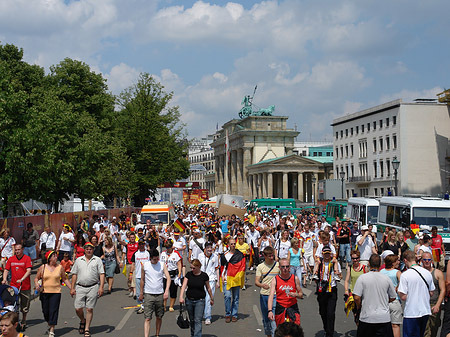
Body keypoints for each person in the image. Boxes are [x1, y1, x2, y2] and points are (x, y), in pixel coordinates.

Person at [353, 254, 397, 337]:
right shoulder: (386, 278)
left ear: (369, 264)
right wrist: (384, 301)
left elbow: (356, 297)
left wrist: (359, 306)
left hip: (367, 317)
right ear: (380, 264)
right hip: (383, 318)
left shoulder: (362, 278)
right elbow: (393, 296)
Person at [70, 242, 105, 337]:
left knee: (89, 308)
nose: (89, 250)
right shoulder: (78, 260)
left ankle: (87, 329)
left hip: (93, 287)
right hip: (80, 286)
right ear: (84, 250)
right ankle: (82, 320)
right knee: (78, 308)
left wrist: (101, 287)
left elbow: (101, 274)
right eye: (87, 249)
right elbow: (74, 274)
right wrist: (72, 288)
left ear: (93, 250)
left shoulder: (97, 260)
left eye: (90, 249)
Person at [34, 250, 71, 337]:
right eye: (54, 256)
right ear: (49, 258)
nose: (56, 257)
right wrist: (36, 284)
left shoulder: (60, 267)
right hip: (44, 292)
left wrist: (72, 289)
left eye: (56, 256)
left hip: (56, 292)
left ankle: (52, 329)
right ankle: (49, 322)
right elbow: (36, 278)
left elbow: (65, 279)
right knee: (45, 311)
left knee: (53, 310)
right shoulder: (43, 267)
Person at [398, 250, 435, 337]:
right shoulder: (427, 273)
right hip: (425, 310)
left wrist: (399, 292)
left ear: (405, 260)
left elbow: (403, 296)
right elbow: (431, 292)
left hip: (411, 312)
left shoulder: (405, 275)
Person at [139, 249, 171, 337]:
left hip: (159, 294)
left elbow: (168, 278)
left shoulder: (162, 265)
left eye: (157, 259)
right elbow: (142, 280)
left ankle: (157, 334)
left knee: (159, 316)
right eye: (154, 259)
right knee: (148, 317)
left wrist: (166, 290)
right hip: (148, 294)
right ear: (150, 258)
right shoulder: (145, 265)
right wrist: (141, 293)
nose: (156, 261)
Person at [179, 259, 214, 337]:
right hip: (189, 300)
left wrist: (211, 298)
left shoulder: (204, 276)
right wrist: (181, 297)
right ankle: (193, 334)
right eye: (191, 268)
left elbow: (208, 288)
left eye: (194, 268)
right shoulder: (188, 275)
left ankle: (197, 335)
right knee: (192, 320)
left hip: (200, 301)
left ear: (198, 267)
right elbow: (184, 286)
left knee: (198, 320)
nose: (192, 270)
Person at [2, 244, 32, 331]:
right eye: (16, 250)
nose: (17, 251)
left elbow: (29, 270)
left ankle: (24, 319)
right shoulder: (11, 259)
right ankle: (15, 320)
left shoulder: (27, 258)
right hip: (14, 286)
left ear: (22, 249)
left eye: (18, 249)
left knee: (25, 304)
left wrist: (22, 279)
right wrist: (4, 279)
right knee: (13, 304)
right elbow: (6, 269)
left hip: (25, 286)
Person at [268, 258, 303, 327]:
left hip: (292, 307)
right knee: (281, 331)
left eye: (287, 266)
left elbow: (301, 294)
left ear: (289, 267)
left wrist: (296, 294)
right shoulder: (275, 280)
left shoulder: (295, 278)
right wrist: (270, 311)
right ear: (279, 268)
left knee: (295, 330)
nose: (285, 268)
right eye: (283, 267)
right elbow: (271, 296)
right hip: (280, 307)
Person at [315, 246, 340, 337]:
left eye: (328, 254)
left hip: (332, 290)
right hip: (322, 290)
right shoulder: (319, 263)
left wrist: (338, 274)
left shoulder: (334, 263)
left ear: (331, 254)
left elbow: (340, 276)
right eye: (325, 254)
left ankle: (330, 333)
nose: (327, 256)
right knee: (323, 311)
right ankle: (326, 328)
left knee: (330, 313)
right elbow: (316, 275)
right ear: (322, 254)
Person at [255, 246, 280, 337]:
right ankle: (268, 334)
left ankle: (274, 334)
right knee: (266, 318)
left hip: (275, 295)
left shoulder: (278, 265)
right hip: (264, 295)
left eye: (272, 255)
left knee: (273, 317)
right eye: (269, 256)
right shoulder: (260, 267)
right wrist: (262, 285)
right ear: (264, 256)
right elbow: (256, 282)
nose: (271, 257)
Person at [422, 252, 445, 337]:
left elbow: (442, 290)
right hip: (423, 304)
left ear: (431, 260)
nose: (427, 261)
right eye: (425, 260)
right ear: (422, 260)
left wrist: (438, 305)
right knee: (425, 331)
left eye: (428, 260)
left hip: (434, 304)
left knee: (434, 328)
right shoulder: (419, 272)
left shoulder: (438, 273)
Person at [221, 237, 244, 323]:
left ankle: (234, 314)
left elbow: (242, 267)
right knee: (227, 296)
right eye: (231, 244)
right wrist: (222, 276)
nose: (233, 245)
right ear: (228, 245)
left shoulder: (240, 255)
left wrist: (240, 276)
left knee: (236, 298)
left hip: (236, 279)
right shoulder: (224, 255)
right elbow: (222, 267)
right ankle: (227, 314)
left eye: (234, 243)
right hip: (227, 278)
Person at [380, 254, 403, 337]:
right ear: (393, 263)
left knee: (383, 325)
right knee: (395, 325)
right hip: (395, 300)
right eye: (397, 260)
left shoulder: (381, 272)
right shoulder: (397, 272)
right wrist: (397, 287)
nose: (399, 262)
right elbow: (402, 283)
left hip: (383, 301)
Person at [198, 242, 220, 325]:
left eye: (211, 247)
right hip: (201, 280)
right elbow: (196, 267)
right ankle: (200, 315)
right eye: (208, 247)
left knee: (209, 298)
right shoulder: (200, 256)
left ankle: (208, 317)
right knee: (201, 299)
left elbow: (217, 269)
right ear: (205, 248)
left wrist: (218, 281)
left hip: (211, 280)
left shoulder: (215, 256)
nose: (210, 249)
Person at [343, 250, 367, 323]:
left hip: (363, 294)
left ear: (359, 258)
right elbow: (346, 280)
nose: (355, 260)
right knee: (356, 314)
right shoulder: (350, 268)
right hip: (354, 293)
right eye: (353, 258)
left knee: (364, 313)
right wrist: (346, 290)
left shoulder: (364, 268)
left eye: (357, 258)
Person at [160, 239, 182, 312]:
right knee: (163, 291)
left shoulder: (176, 254)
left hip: (173, 275)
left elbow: (179, 264)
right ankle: (164, 306)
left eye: (169, 247)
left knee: (173, 291)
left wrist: (179, 273)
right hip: (164, 275)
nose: (167, 249)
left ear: (172, 246)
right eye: (166, 247)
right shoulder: (163, 253)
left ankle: (171, 306)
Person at [131, 238, 151, 313]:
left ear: (144, 244)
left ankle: (147, 305)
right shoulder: (135, 254)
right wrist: (130, 274)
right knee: (139, 293)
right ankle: (142, 306)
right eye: (140, 244)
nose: (141, 245)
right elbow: (133, 264)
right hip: (138, 275)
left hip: (147, 276)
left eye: (143, 244)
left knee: (147, 292)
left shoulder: (148, 253)